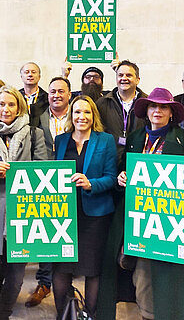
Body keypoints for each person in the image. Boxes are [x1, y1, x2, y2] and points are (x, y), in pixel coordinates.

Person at [98, 87, 184, 320]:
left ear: (172, 113)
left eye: (163, 107)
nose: (157, 111)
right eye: (153, 106)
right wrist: (122, 177)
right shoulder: (135, 138)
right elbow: (124, 169)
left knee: (173, 276)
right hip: (141, 220)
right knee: (142, 275)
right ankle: (147, 314)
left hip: (173, 221)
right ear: (146, 111)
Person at [0, 85, 48, 320]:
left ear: (19, 107)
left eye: (11, 104)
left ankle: (1, 316)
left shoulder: (34, 134)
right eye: (1, 104)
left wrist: (23, 174)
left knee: (15, 281)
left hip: (23, 217)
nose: (6, 108)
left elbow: (45, 173)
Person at [53, 95, 117, 319]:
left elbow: (112, 177)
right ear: (71, 115)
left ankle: (90, 315)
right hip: (64, 217)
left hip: (95, 217)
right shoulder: (60, 141)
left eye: (87, 112)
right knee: (61, 269)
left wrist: (91, 184)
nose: (82, 116)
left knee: (92, 270)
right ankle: (63, 315)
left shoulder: (105, 140)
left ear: (93, 115)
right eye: (77, 112)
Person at [24, 77, 72, 308]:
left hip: (73, 180)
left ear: (69, 94)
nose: (56, 95)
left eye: (61, 91)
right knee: (46, 232)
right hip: (45, 181)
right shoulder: (38, 118)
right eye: (52, 91)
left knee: (69, 234)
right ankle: (44, 282)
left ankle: (66, 283)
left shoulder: (78, 117)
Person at [96, 60, 148, 165]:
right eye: (120, 75)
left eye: (129, 75)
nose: (124, 78)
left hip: (139, 160)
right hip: (109, 161)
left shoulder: (147, 103)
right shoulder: (102, 103)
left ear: (137, 80)